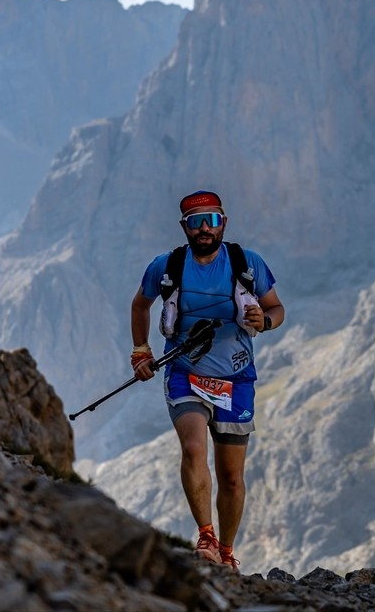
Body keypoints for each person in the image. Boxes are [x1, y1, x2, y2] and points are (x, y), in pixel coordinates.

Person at [130, 190, 284, 572]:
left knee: (231, 477)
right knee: (194, 447)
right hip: (185, 373)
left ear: (223, 224)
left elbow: (276, 308)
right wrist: (141, 351)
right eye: (196, 222)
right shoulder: (166, 266)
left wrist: (265, 321)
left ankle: (227, 554)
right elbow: (140, 304)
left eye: (211, 220)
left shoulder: (247, 263)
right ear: (184, 227)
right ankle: (206, 537)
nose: (204, 229)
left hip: (236, 378)